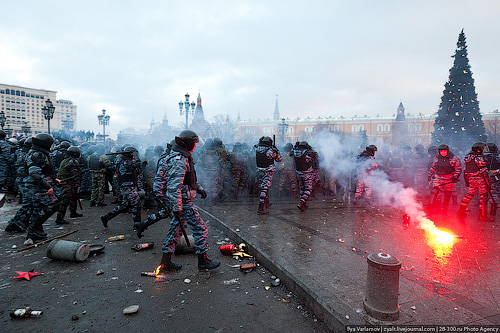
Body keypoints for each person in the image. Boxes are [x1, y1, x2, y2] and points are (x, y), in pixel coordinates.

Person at [156, 130, 219, 273]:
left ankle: (165, 263)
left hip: (181, 200)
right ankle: (203, 262)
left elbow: (188, 180)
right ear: (187, 142)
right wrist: (177, 207)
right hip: (183, 202)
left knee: (175, 232)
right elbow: (174, 186)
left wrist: (199, 188)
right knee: (201, 229)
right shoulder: (179, 159)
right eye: (194, 143)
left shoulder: (182, 157)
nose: (195, 146)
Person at [24, 133, 62, 243]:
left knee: (37, 209)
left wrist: (54, 179)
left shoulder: (37, 153)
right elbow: (34, 174)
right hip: (37, 187)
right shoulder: (37, 155)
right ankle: (33, 229)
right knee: (54, 205)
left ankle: (33, 235)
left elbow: (45, 170)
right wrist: (48, 187)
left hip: (35, 186)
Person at [100, 146, 144, 228]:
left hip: (128, 185)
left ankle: (106, 218)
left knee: (125, 205)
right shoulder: (125, 162)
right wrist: (137, 158)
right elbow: (136, 166)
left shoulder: (124, 160)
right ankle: (137, 225)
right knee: (136, 205)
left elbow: (138, 170)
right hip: (127, 185)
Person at [457, 142, 493, 221]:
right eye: (483, 148)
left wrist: (467, 181)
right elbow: (484, 170)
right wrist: (488, 182)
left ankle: (461, 211)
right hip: (480, 179)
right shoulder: (478, 158)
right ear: (479, 149)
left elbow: (465, 170)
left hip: (471, 179)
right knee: (483, 197)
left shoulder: (468, 157)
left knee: (468, 195)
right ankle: (482, 216)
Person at [427, 144, 461, 213]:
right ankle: (431, 207)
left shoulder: (454, 158)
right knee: (434, 191)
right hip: (438, 177)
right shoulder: (437, 158)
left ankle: (445, 209)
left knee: (447, 193)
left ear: (447, 151)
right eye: (441, 151)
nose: (443, 153)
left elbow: (458, 168)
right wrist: (429, 175)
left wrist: (455, 177)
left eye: (444, 151)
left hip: (449, 178)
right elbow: (433, 167)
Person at [55, 146, 83, 224]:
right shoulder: (73, 161)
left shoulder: (65, 160)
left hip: (66, 182)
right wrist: (76, 184)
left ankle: (73, 213)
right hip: (69, 183)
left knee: (73, 198)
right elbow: (75, 175)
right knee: (65, 201)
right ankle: (59, 218)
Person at [255, 136, 282, 215]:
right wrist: (277, 151)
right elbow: (279, 159)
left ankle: (267, 203)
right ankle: (260, 209)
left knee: (264, 187)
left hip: (260, 170)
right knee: (265, 189)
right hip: (268, 171)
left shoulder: (257, 148)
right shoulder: (270, 151)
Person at [292, 141, 319, 211]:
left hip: (299, 173)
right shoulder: (308, 153)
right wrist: (311, 149)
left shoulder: (295, 152)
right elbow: (316, 156)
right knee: (308, 189)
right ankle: (301, 203)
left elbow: (292, 151)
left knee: (302, 189)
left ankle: (303, 204)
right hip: (306, 173)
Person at [485, 143, 500, 216]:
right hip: (494, 178)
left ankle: (482, 211)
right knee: (494, 194)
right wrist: (496, 171)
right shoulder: (497, 158)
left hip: (484, 178)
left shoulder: (482, 157)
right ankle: (492, 211)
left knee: (484, 194)